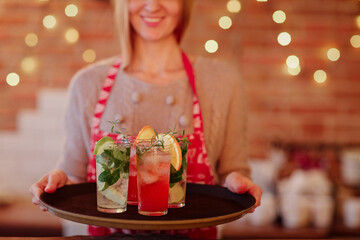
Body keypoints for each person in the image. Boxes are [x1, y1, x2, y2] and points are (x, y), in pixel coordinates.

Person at [29, 0, 262, 239]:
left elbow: (233, 171)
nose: (152, 6)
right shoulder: (87, 83)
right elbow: (74, 177)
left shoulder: (222, 82)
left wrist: (238, 183)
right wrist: (58, 181)